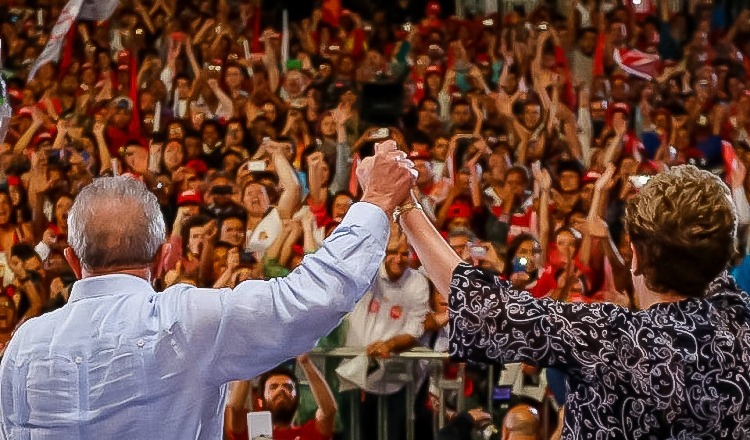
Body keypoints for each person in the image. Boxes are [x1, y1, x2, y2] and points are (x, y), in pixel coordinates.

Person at [0, 142, 416, 439]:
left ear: (73, 262)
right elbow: (311, 297)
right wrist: (376, 198)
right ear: (165, 258)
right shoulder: (181, 320)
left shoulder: (22, 346)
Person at [392, 164, 750, 438]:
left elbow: (479, 302)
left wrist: (405, 203)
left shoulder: (609, 338)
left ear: (636, 256)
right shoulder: (741, 321)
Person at [225, 353, 336, 440]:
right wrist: (249, 366)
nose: (281, 389)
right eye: (273, 387)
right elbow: (236, 409)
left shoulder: (309, 434)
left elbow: (328, 411)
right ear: (261, 401)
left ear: (297, 400)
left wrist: (305, 362)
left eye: (288, 387)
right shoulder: (255, 434)